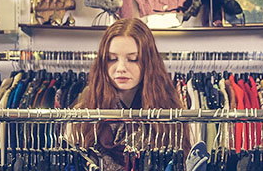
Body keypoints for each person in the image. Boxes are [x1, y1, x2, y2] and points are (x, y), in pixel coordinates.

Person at [73, 18, 190, 170]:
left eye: (133, 59)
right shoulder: (84, 114)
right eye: (112, 59)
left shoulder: (169, 115)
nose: (121, 68)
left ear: (148, 62)